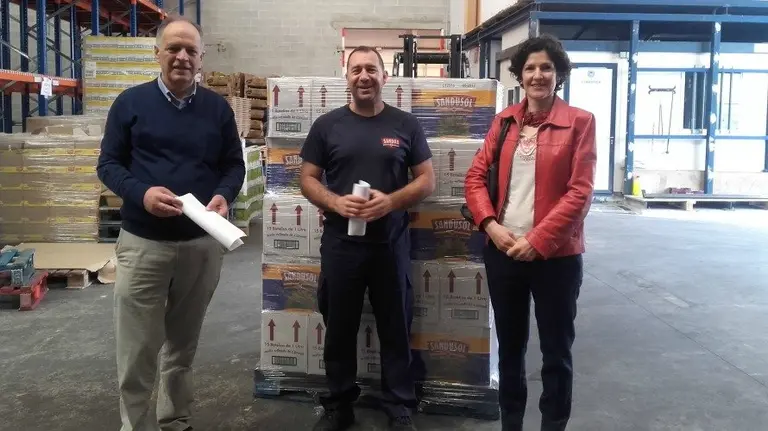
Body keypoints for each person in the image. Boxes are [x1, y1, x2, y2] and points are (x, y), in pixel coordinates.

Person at [96, 15, 245, 431]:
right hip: (144, 244)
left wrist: (224, 195)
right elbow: (108, 164)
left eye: (190, 51)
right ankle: (137, 426)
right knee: (138, 348)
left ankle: (176, 420)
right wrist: (141, 193)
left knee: (183, 346)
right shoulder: (130, 103)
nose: (181, 57)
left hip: (200, 246)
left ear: (201, 60)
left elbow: (234, 164)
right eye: (174, 48)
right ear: (157, 53)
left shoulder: (216, 108)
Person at [464, 35, 597, 431]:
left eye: (546, 68)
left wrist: (537, 241)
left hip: (556, 258)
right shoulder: (504, 122)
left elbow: (580, 191)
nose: (538, 75)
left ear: (558, 75)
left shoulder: (580, 123)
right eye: (530, 68)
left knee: (556, 351)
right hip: (503, 252)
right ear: (519, 76)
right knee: (509, 349)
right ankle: (512, 423)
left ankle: (553, 424)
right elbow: (474, 178)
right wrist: (491, 225)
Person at [299, 45, 435, 431]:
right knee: (339, 326)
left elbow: (427, 180)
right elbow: (307, 178)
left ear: (383, 77)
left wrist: (389, 202)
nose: (364, 76)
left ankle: (398, 404)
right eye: (356, 69)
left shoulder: (405, 125)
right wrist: (335, 202)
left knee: (395, 325)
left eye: (371, 69)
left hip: (390, 246)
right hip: (342, 246)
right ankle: (339, 403)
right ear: (347, 77)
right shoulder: (327, 126)